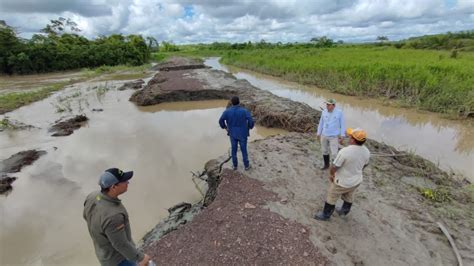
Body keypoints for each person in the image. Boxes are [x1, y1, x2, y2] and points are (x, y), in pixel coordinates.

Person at [83, 168, 151, 266]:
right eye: (124, 181)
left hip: (103, 253)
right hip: (119, 260)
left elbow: (86, 216)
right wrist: (141, 258)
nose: (128, 182)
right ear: (113, 187)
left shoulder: (91, 197)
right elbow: (120, 244)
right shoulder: (113, 216)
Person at [314, 128, 370, 221]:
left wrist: (331, 175)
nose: (349, 137)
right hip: (356, 180)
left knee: (332, 196)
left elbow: (335, 166)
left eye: (350, 136)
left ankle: (326, 215)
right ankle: (344, 211)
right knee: (349, 195)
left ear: (352, 139)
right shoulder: (366, 151)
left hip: (342, 181)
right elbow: (365, 164)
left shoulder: (345, 152)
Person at [219, 96, 255, 170]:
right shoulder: (244, 111)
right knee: (244, 150)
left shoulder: (227, 111)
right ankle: (246, 166)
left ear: (231, 102)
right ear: (239, 102)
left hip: (232, 133)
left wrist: (225, 128)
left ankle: (235, 166)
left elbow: (220, 120)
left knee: (234, 149)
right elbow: (251, 120)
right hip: (243, 133)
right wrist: (250, 127)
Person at [316, 98, 346, 170]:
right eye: (327, 104)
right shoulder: (324, 112)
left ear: (333, 105)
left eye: (329, 105)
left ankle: (334, 168)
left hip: (334, 136)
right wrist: (318, 133)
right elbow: (321, 123)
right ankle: (326, 165)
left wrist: (342, 135)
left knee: (334, 154)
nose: (327, 106)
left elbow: (343, 125)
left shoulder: (339, 112)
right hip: (324, 135)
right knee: (324, 150)